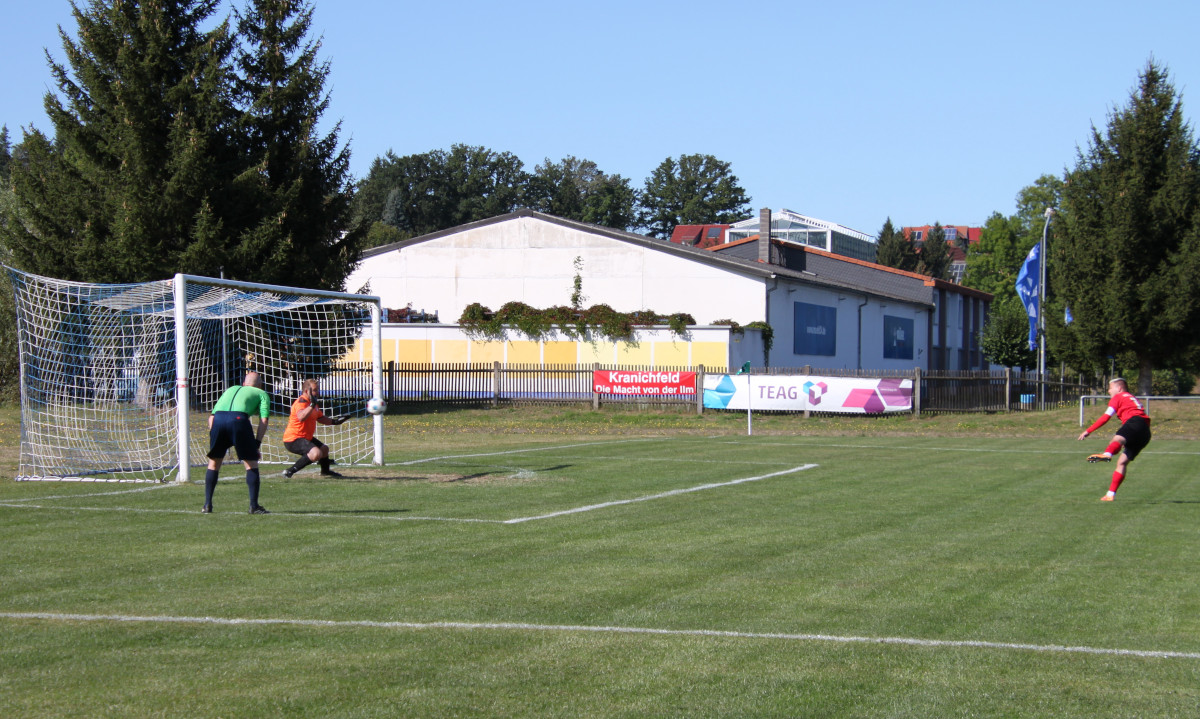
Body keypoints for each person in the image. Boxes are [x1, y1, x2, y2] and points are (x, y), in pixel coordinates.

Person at [204, 371, 271, 514]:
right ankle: (254, 506)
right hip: (239, 420)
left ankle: (207, 505)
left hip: (218, 420)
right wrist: (257, 443)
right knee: (251, 463)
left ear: (244, 384)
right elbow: (264, 420)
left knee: (214, 462)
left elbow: (211, 417)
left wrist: (214, 435)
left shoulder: (230, 389)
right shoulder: (261, 393)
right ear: (260, 385)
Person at [1078, 377, 1152, 501]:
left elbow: (1106, 417)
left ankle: (1107, 454)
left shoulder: (1119, 397)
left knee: (1116, 440)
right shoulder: (1131, 398)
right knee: (1121, 463)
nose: (1108, 391)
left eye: (1110, 387)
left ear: (1119, 388)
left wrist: (1088, 430)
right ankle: (1110, 494)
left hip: (1134, 422)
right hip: (1145, 432)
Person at [281, 379, 347, 478]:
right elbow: (301, 417)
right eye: (315, 390)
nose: (318, 392)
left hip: (305, 437)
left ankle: (325, 471)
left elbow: (320, 418)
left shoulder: (312, 403)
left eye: (318, 389)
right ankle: (290, 471)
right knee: (316, 453)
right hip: (293, 439)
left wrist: (335, 421)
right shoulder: (301, 402)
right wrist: (311, 405)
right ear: (307, 391)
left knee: (324, 449)